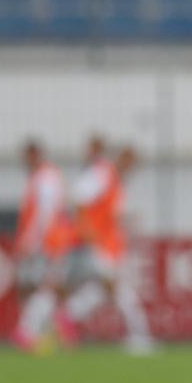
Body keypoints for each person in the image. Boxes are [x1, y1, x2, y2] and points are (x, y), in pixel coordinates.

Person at [63, 138, 155, 354]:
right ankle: (139, 337)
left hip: (108, 246)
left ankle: (67, 316)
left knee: (102, 291)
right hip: (98, 245)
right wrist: (86, 231)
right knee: (119, 289)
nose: (131, 169)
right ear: (122, 159)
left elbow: (106, 216)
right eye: (130, 163)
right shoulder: (102, 175)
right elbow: (76, 201)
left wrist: (127, 221)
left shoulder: (115, 182)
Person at [11, 140, 74, 352]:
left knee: (47, 286)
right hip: (50, 240)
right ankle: (41, 330)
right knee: (44, 287)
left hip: (49, 241)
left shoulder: (45, 177)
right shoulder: (43, 176)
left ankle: (29, 331)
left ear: (34, 155)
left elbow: (44, 213)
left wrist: (31, 241)